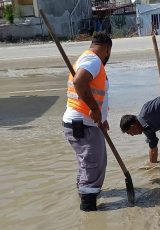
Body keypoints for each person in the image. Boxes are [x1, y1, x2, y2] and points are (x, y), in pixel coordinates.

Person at [62, 32, 112, 212]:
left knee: (89, 163)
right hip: (82, 123)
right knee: (93, 166)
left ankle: (87, 195)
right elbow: (79, 81)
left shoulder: (86, 58)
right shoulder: (94, 61)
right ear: (107, 49)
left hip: (85, 122)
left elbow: (93, 91)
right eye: (108, 53)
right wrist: (94, 109)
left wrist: (102, 119)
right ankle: (89, 210)